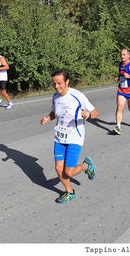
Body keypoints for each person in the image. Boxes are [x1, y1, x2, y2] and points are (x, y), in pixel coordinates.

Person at [40, 69, 100, 204]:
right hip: (60, 137)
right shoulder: (55, 96)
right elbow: (55, 112)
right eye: (54, 83)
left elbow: (96, 112)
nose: (56, 86)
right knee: (58, 169)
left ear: (67, 82)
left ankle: (86, 166)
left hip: (74, 137)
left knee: (68, 172)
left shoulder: (77, 96)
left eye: (59, 83)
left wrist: (88, 115)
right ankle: (69, 192)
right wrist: (47, 119)